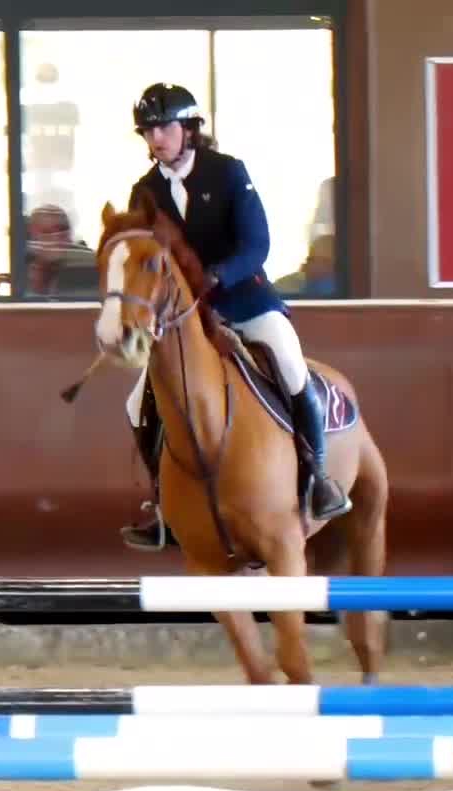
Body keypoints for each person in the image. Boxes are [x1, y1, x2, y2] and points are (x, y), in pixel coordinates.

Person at [114, 81, 349, 552]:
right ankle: (162, 506)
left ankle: (318, 477)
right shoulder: (146, 191)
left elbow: (258, 243)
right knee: (137, 400)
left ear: (188, 129)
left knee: (290, 364)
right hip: (188, 317)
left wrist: (219, 274)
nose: (156, 138)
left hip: (245, 298)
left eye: (164, 128)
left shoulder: (227, 172)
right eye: (148, 131)